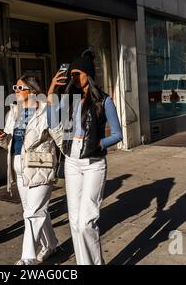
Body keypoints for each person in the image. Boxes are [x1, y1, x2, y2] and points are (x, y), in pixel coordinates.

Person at [47, 53, 123, 265]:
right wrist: (52, 88)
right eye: (71, 74)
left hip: (93, 163)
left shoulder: (104, 100)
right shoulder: (69, 100)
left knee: (86, 223)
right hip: (71, 160)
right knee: (74, 222)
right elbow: (51, 121)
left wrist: (99, 144)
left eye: (77, 74)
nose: (73, 78)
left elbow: (118, 134)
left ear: (88, 74)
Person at [0, 75, 59, 265]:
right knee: (36, 210)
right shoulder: (13, 112)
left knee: (32, 213)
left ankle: (27, 258)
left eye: (19, 87)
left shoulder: (47, 111)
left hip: (41, 165)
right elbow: (8, 143)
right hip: (19, 168)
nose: (15, 90)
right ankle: (51, 244)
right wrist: (1, 137)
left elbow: (61, 138)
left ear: (32, 91)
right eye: (15, 87)